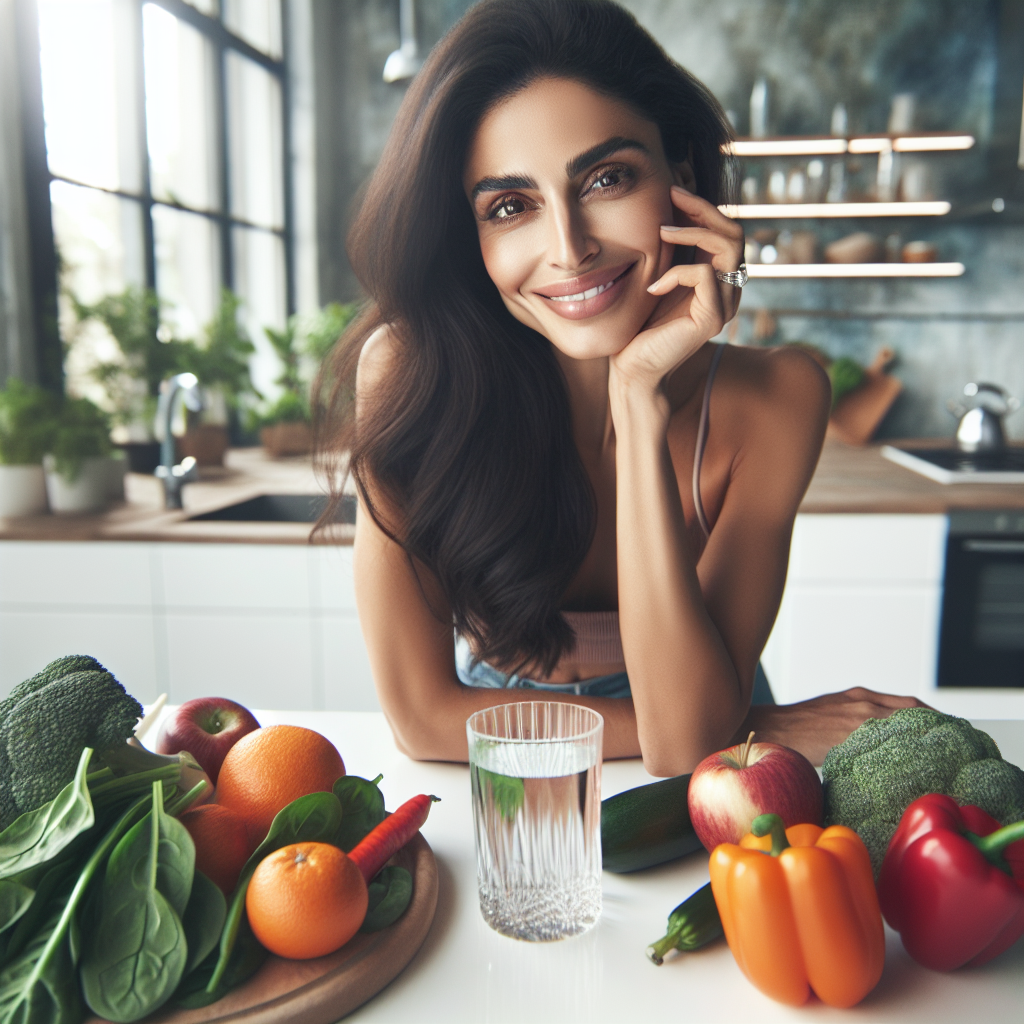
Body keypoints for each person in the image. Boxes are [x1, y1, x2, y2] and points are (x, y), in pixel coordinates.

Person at [315, 0, 922, 775]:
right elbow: (423, 717)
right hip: (518, 760)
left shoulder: (779, 398)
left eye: (606, 179)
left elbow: (683, 746)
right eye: (511, 206)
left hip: (696, 772)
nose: (569, 249)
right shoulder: (407, 372)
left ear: (682, 178)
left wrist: (638, 399)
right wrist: (746, 726)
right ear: (471, 235)